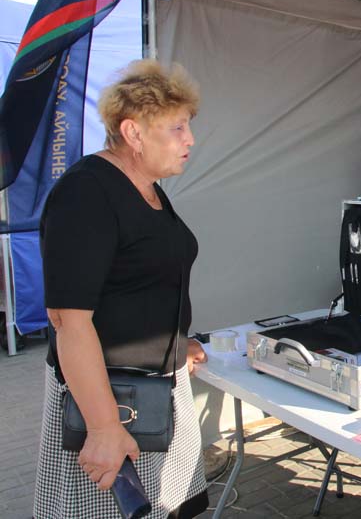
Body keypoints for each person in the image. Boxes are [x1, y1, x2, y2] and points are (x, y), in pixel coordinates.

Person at [35, 60, 209, 518]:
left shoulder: (147, 187)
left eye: (188, 126)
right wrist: (104, 426)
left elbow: (143, 280)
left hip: (159, 389)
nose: (189, 139)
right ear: (133, 134)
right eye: (177, 128)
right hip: (110, 402)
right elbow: (68, 321)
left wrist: (175, 342)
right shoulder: (86, 193)